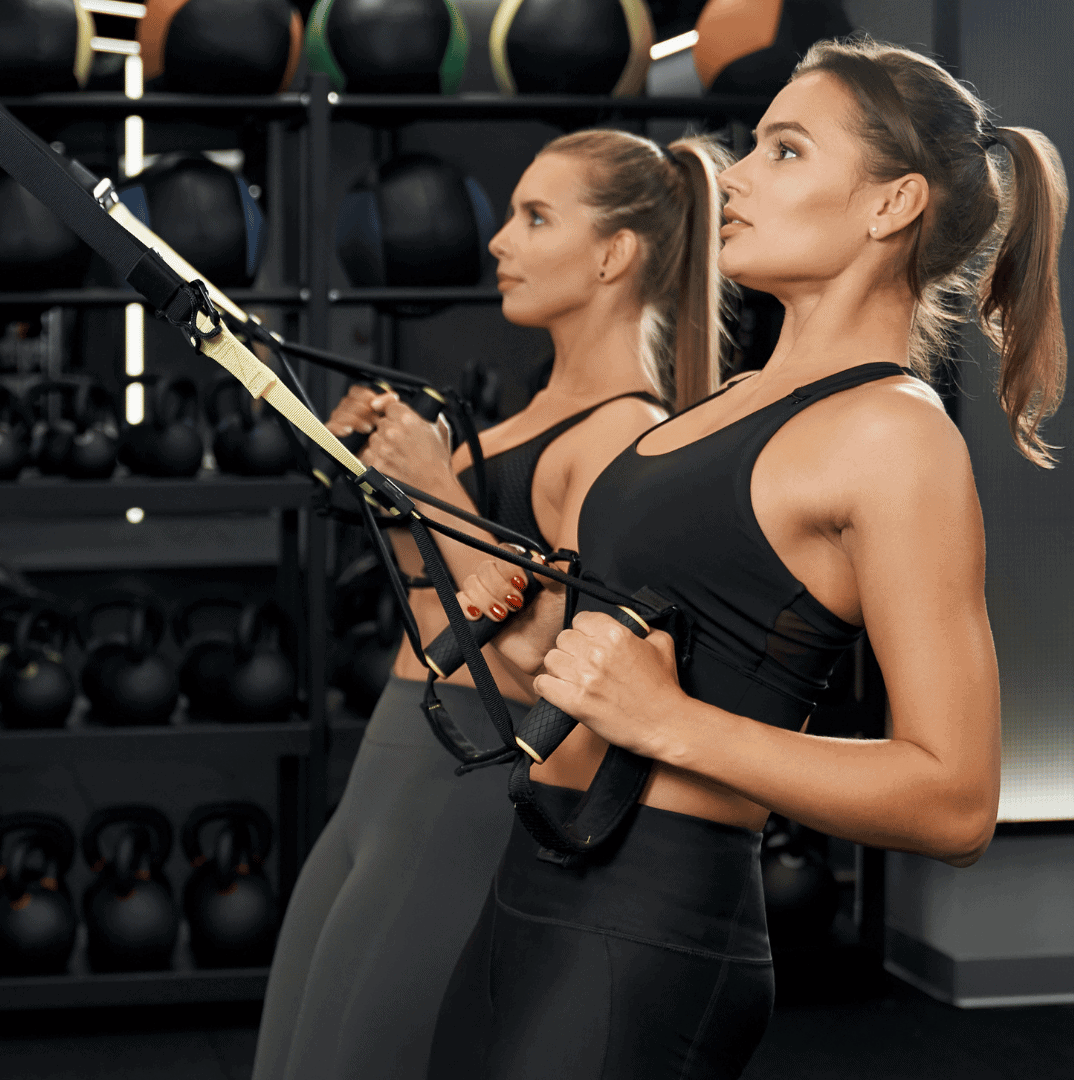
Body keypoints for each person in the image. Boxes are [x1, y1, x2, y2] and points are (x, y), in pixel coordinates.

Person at [430, 37, 1068, 1079]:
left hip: (649, 919)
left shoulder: (893, 435)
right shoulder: (728, 401)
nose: (733, 174)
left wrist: (671, 721)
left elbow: (955, 799)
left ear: (890, 204)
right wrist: (536, 628)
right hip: (537, 867)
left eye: (784, 150)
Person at [252, 129, 734, 1080]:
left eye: (534, 217)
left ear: (613, 254)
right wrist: (378, 481)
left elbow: (559, 669)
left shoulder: (623, 433)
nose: (498, 242)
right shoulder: (525, 414)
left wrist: (434, 490)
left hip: (464, 782)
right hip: (390, 761)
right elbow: (438, 608)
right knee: (290, 1058)